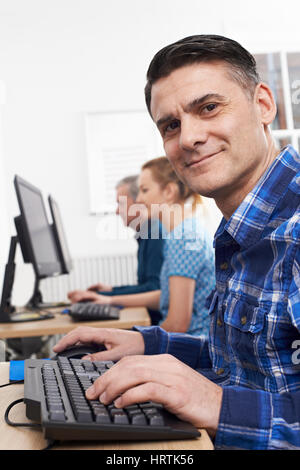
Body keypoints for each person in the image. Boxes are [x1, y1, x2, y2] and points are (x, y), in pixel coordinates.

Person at [54, 34, 300, 449]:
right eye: (171, 125)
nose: (188, 138)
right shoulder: (241, 228)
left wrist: (215, 402)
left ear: (263, 104)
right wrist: (149, 343)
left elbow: (228, 389)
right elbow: (247, 364)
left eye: (208, 107)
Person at [68, 157, 215, 336]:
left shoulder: (183, 238)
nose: (139, 198)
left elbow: (177, 325)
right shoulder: (184, 232)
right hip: (189, 340)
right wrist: (109, 300)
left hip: (190, 347)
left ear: (169, 191)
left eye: (144, 190)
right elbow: (167, 296)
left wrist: (133, 338)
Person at [68, 175, 164, 325]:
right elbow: (147, 286)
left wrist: (104, 296)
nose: (117, 211)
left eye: (121, 204)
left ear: (138, 201)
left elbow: (154, 288)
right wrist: (110, 290)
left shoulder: (155, 232)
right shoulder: (146, 233)